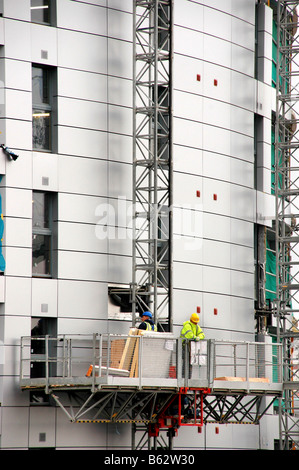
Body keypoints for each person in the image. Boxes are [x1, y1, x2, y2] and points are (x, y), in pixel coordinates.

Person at [180, 313, 205, 378]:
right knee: (185, 363)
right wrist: (195, 337)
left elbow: (202, 335)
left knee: (190, 363)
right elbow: (189, 335)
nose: (196, 323)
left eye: (196, 322)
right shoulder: (187, 325)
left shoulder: (197, 327)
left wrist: (198, 337)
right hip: (185, 346)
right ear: (191, 320)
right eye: (195, 322)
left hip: (191, 348)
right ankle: (183, 378)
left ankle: (188, 378)